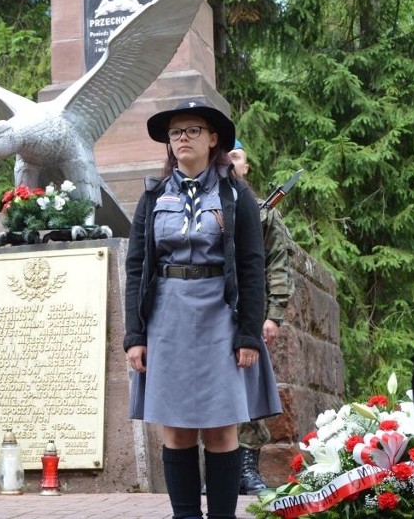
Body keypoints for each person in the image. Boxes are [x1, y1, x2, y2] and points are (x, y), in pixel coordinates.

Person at [124, 99, 282, 519]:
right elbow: (137, 267)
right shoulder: (154, 196)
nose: (183, 139)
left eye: (193, 130)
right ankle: (185, 516)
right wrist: (134, 336)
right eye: (176, 133)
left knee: (220, 426)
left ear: (214, 140)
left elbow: (252, 267)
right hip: (167, 316)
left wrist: (249, 333)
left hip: (220, 315)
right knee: (175, 428)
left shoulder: (235, 195)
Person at [228, 140, 295, 495]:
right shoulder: (211, 207)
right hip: (216, 314)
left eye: (237, 156)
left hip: (252, 315)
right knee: (218, 395)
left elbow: (277, 265)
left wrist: (274, 315)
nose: (230, 161)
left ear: (246, 167)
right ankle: (222, 473)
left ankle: (248, 470)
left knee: (251, 394)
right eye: (226, 156)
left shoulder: (264, 212)